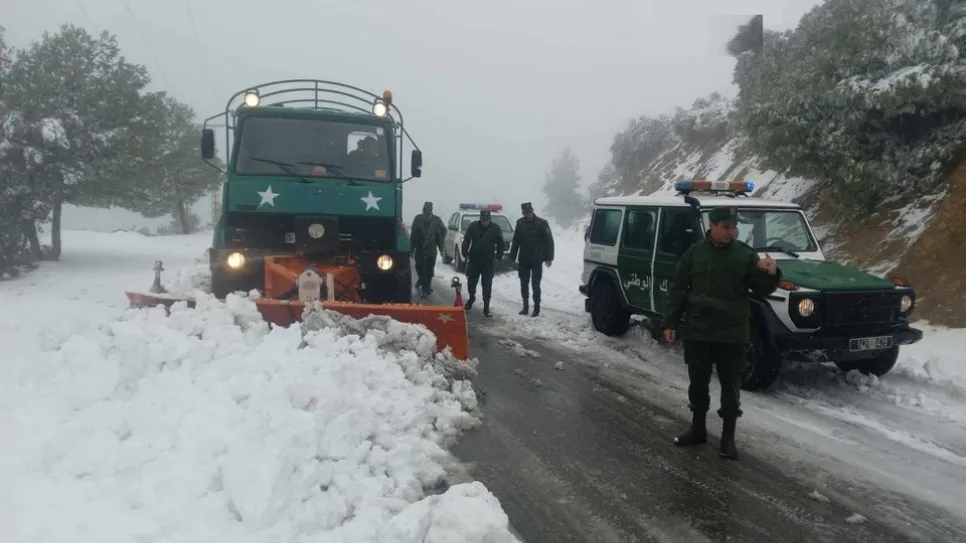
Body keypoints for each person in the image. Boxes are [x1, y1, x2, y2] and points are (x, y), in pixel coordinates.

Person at [661, 206, 781, 460]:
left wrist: (772, 274)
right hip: (699, 331)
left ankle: (728, 438)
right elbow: (678, 290)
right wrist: (670, 323)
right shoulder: (694, 254)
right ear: (712, 225)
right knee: (698, 384)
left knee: (731, 387)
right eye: (725, 227)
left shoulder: (745, 256)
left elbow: (761, 289)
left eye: (733, 227)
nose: (731, 231)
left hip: (731, 333)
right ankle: (698, 428)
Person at [508, 202, 554, 317]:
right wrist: (512, 258)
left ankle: (536, 308)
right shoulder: (520, 223)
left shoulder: (542, 223)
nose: (527, 215)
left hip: (537, 259)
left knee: (535, 285)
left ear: (532, 211)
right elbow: (516, 241)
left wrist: (549, 258)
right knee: (524, 284)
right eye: (525, 213)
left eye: (529, 212)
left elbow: (549, 241)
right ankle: (525, 307)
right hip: (524, 259)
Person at [460, 209, 504, 317]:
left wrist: (499, 256)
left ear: (490, 218)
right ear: (480, 218)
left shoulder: (495, 229)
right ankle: (471, 297)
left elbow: (500, 243)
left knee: (487, 284)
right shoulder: (473, 227)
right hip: (475, 259)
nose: (485, 221)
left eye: (487, 219)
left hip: (488, 261)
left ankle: (486, 307)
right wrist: (465, 253)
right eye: (483, 219)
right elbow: (466, 240)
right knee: (472, 281)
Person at [409, 201, 445, 297]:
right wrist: (412, 248)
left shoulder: (436, 220)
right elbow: (413, 235)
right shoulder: (418, 219)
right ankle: (421, 280)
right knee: (419, 267)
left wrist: (441, 248)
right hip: (420, 249)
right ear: (423, 209)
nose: (428, 211)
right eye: (426, 209)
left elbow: (441, 233)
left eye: (429, 209)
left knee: (429, 270)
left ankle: (426, 288)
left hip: (431, 250)